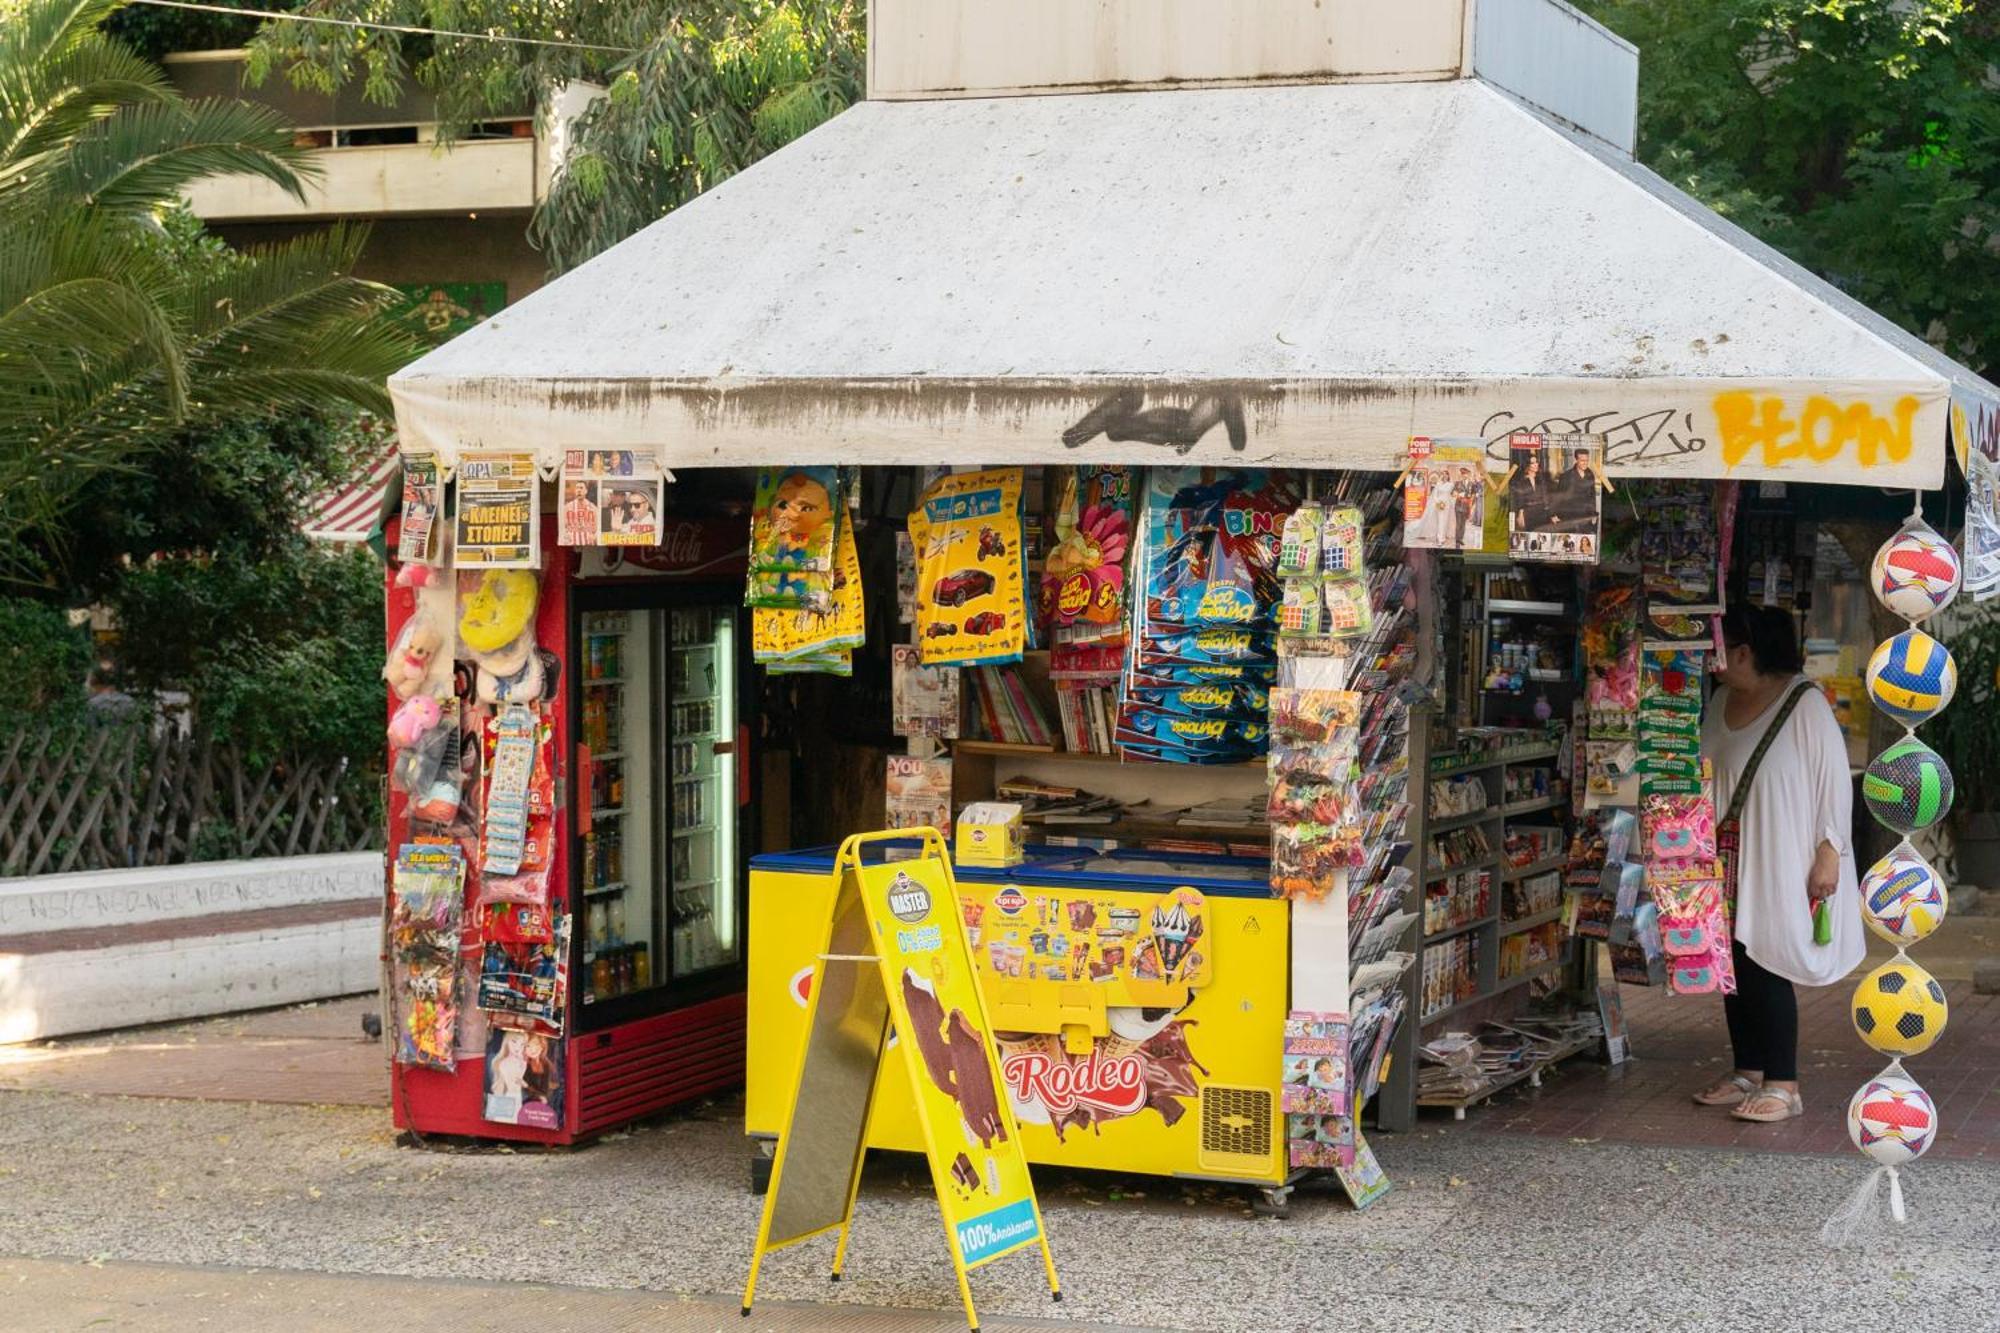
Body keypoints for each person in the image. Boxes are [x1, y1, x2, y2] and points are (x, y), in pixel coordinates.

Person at [1693, 605, 1863, 1122]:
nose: (1713, 660)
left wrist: (1829, 856)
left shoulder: (1805, 703)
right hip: (1725, 855)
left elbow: (1834, 785)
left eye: (1722, 649)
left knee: (1768, 962)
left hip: (1781, 854)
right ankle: (1747, 1069)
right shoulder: (1722, 699)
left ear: (1745, 651)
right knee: (1732, 964)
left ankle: (1783, 1084)